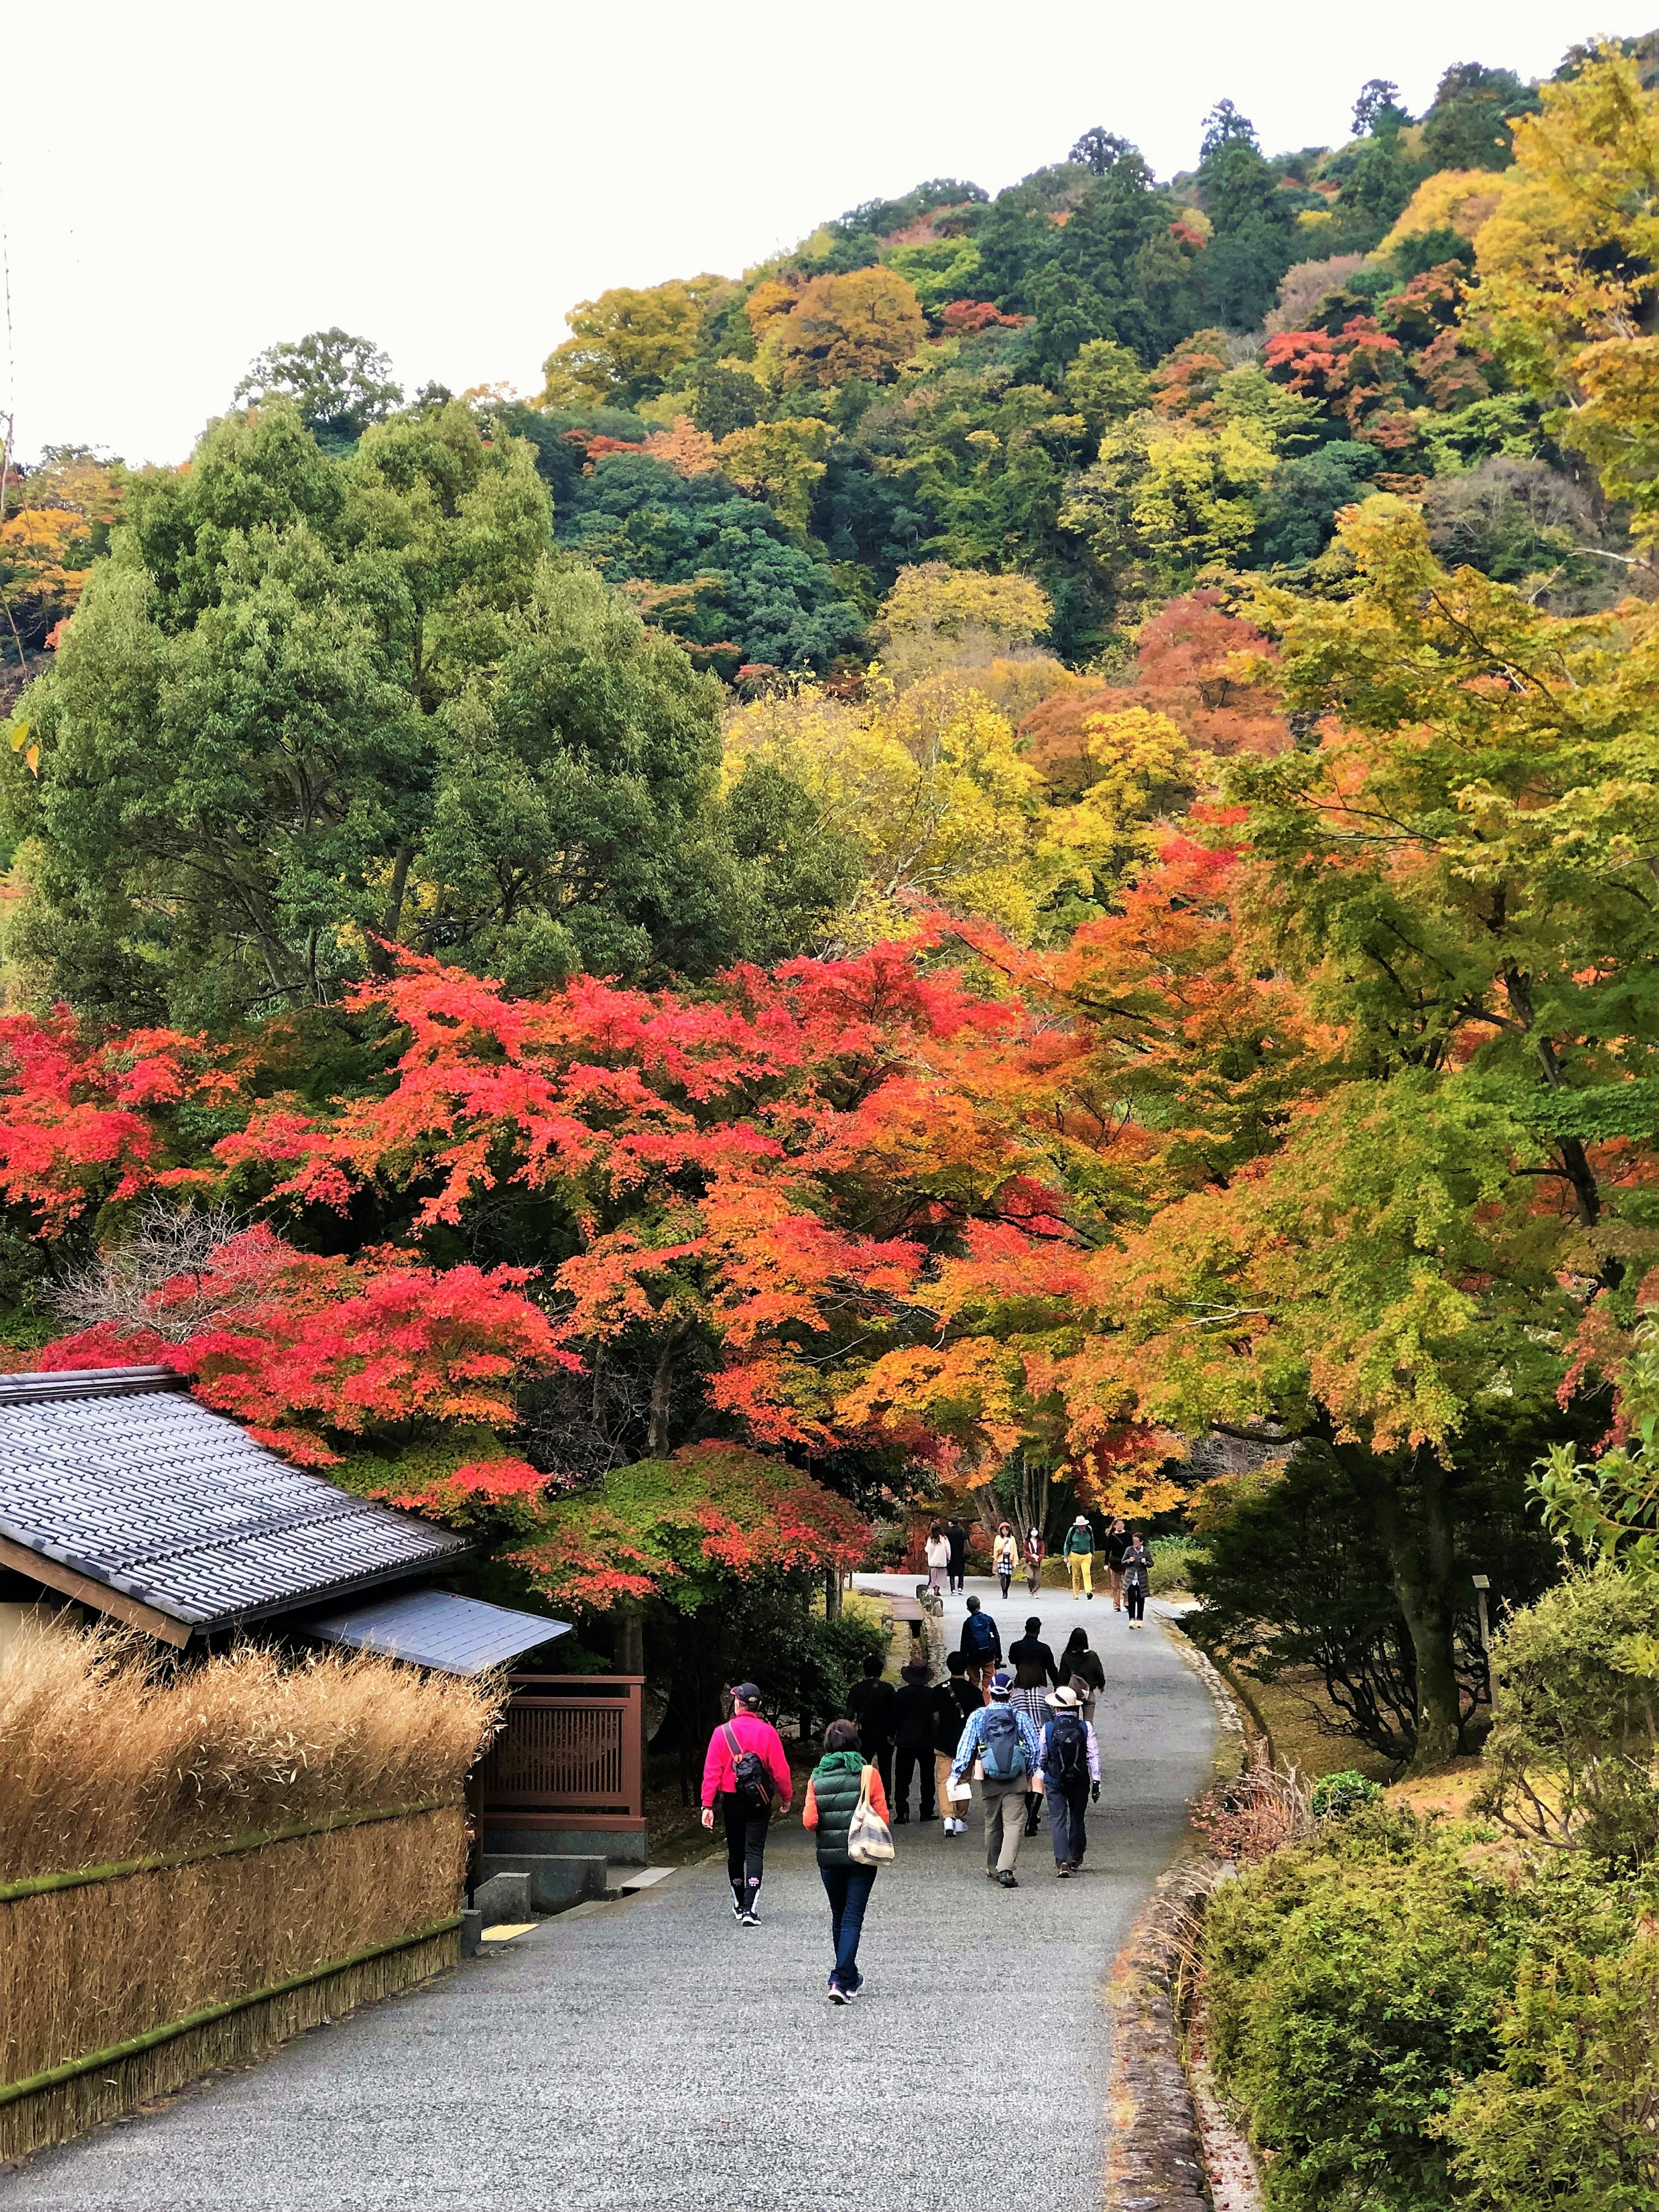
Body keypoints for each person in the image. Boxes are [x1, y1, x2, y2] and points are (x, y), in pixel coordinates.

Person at [802, 1718, 888, 2002]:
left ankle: (847, 1977)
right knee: (853, 1917)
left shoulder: (817, 1777)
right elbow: (883, 1818)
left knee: (839, 1915)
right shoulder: (868, 1774)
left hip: (829, 1859)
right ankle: (840, 1978)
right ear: (856, 1743)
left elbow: (810, 1821)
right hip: (862, 1855)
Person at [700, 1681, 793, 1925]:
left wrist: (707, 1805)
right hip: (759, 1801)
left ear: (738, 1704)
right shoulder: (768, 1733)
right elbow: (781, 1770)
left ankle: (739, 1903)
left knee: (736, 1852)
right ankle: (751, 1909)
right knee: (754, 1851)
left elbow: (712, 1771)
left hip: (732, 1798)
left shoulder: (722, 1733)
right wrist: (787, 1798)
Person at [950, 1669, 1042, 1887]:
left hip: (990, 1777)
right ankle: (1006, 1868)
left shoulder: (979, 1717)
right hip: (1015, 1777)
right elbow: (1034, 1749)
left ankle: (992, 1867)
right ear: (1010, 1694)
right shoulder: (1020, 1717)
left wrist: (956, 1774)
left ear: (990, 1693)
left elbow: (965, 1748)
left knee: (992, 1823)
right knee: (1014, 1823)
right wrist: (1028, 1772)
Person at [1037, 1685, 1100, 1876]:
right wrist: (1096, 1779)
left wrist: (1043, 1771)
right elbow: (1093, 1754)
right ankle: (1076, 1857)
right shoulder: (1085, 1727)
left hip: (1055, 1779)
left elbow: (1042, 1755)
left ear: (1056, 1708)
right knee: (1077, 1818)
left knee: (1058, 1820)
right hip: (1080, 1779)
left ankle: (1062, 1862)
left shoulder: (1048, 1728)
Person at [1007, 1615, 1061, 1834]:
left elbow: (1011, 1660)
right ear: (1039, 1630)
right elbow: (1053, 1670)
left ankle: (1026, 1814)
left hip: (1021, 1741)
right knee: (1039, 1777)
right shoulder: (1045, 1694)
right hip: (1042, 1739)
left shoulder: (1015, 1695)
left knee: (1024, 1778)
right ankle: (1033, 1815)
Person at [932, 1653, 982, 1834]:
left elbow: (935, 1718)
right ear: (966, 1669)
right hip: (966, 1744)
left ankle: (948, 1818)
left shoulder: (939, 1690)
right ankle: (961, 1819)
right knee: (963, 1781)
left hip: (945, 1741)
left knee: (944, 1780)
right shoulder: (975, 1692)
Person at [890, 1659, 938, 1823]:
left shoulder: (900, 1695)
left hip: (905, 1740)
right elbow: (936, 1719)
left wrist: (892, 1734)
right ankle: (927, 1810)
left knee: (903, 1776)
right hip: (927, 1740)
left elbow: (894, 1718)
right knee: (927, 1776)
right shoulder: (932, 1695)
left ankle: (902, 1811)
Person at [847, 1653, 898, 1800]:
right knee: (885, 1768)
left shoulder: (856, 1689)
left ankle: (864, 1796)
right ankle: (885, 1799)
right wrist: (893, 1733)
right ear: (881, 1671)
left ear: (865, 1671)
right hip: (885, 1734)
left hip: (864, 1734)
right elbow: (894, 1713)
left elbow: (849, 1715)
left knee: (863, 1767)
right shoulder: (888, 1689)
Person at [1060, 1624, 1106, 1720]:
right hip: (1088, 1692)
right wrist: (1101, 1685)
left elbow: (1063, 1676)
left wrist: (1059, 1689)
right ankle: (1088, 1734)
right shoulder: (1092, 1656)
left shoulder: (1067, 1656)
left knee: (1071, 1720)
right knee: (1089, 1722)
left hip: (1071, 1694)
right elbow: (1099, 1673)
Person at [958, 1592, 1001, 1688]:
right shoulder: (988, 1620)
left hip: (974, 1657)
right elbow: (996, 1638)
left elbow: (964, 1643)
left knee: (974, 1680)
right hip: (989, 1655)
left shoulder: (968, 1623)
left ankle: (974, 1700)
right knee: (989, 1681)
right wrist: (999, 1656)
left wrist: (963, 1659)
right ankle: (987, 1700)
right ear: (980, 1606)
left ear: (968, 1609)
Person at [1062, 1515, 1096, 1599]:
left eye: (1084, 1525)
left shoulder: (1089, 1530)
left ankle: (1089, 1591)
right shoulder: (1072, 1531)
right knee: (1076, 1575)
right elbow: (1067, 1543)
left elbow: (1092, 1542)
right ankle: (1076, 1593)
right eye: (1081, 1526)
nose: (1083, 1527)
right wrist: (1066, 1556)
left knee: (1087, 1573)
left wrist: (1092, 1553)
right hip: (1075, 1555)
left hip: (1087, 1555)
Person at [1123, 1531, 1152, 1625]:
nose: (1135, 1543)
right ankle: (1132, 1619)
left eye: (1137, 1541)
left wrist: (1145, 1562)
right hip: (1131, 1578)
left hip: (1141, 1578)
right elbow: (1123, 1562)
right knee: (1131, 1599)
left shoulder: (1146, 1551)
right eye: (1134, 1541)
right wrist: (1129, 1561)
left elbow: (1151, 1564)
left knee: (1141, 1599)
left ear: (1141, 1542)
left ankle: (1140, 1619)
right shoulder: (1129, 1550)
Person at [1103, 1517, 1131, 1612]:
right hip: (1115, 1563)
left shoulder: (1128, 1536)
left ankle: (1127, 1602)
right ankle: (1116, 1604)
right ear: (1114, 1526)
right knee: (1116, 1585)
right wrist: (1106, 1563)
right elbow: (1108, 1551)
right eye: (1118, 1524)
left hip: (1127, 1562)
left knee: (1127, 1583)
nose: (1120, 1526)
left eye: (1122, 1524)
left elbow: (1132, 1548)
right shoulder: (1111, 1537)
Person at [924, 1522, 950, 1593]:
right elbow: (948, 1550)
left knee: (934, 1577)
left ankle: (934, 1588)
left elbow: (927, 1550)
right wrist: (949, 1558)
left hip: (933, 1562)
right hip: (942, 1561)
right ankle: (937, 1589)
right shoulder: (944, 1539)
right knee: (940, 1577)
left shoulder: (931, 1539)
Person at [992, 1521, 1017, 1598]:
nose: (1005, 1532)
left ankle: (1006, 1590)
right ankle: (1004, 1592)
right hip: (1001, 1558)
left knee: (1008, 1576)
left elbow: (1015, 1550)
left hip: (1009, 1558)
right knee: (1002, 1576)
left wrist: (1015, 1562)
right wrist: (1004, 1544)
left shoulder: (1012, 1539)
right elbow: (997, 1550)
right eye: (1003, 1530)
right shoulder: (998, 1538)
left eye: (1006, 1530)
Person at [946, 1517, 969, 1595]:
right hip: (961, 1554)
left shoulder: (948, 1532)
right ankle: (960, 1588)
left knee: (952, 1573)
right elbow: (966, 1541)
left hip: (952, 1554)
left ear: (951, 1523)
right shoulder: (962, 1531)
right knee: (961, 1572)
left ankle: (953, 1589)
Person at [1024, 1525, 1045, 1596]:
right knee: (1031, 1577)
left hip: (1038, 1562)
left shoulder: (1040, 1542)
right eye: (1033, 1530)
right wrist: (1032, 1557)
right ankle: (1031, 1589)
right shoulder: (1027, 1542)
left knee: (1037, 1578)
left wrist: (1039, 1558)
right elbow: (1026, 1552)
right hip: (1030, 1562)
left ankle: (1035, 1591)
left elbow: (1042, 1551)